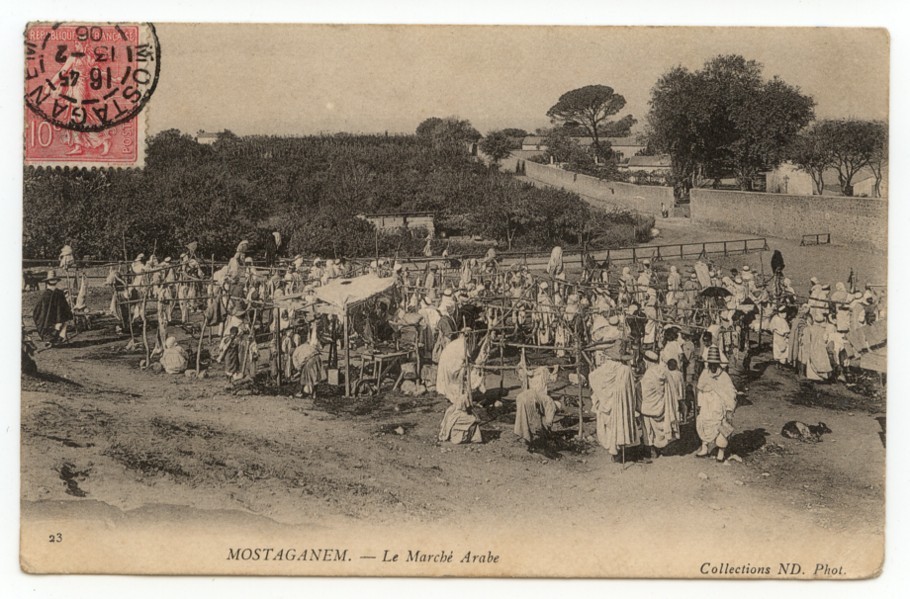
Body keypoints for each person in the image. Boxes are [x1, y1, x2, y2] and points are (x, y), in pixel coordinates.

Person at [589, 353, 641, 461]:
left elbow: (592, 376)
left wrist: (602, 395)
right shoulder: (625, 370)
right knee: (621, 427)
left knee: (610, 429)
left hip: (608, 404)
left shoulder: (605, 367)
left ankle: (614, 454)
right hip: (621, 403)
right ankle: (621, 451)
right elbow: (631, 389)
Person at [436, 331, 483, 444]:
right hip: (452, 369)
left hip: (451, 369)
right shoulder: (461, 345)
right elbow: (462, 360)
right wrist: (465, 367)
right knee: (472, 419)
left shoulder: (458, 344)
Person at [695, 346, 738, 461]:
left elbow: (730, 392)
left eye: (715, 364)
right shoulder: (705, 374)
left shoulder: (724, 376)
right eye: (711, 364)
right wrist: (699, 405)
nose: (713, 367)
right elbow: (699, 389)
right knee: (704, 423)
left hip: (718, 406)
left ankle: (721, 452)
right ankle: (704, 447)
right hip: (706, 405)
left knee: (720, 426)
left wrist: (729, 408)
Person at [640, 350, 680, 459]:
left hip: (649, 407)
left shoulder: (648, 374)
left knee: (648, 427)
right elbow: (672, 388)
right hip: (662, 405)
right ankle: (662, 446)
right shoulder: (664, 371)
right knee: (661, 426)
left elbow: (644, 392)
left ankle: (652, 448)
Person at [513, 367, 562, 447]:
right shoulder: (551, 404)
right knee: (527, 419)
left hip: (522, 396)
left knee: (522, 417)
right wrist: (549, 433)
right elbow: (549, 421)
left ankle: (523, 436)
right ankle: (527, 439)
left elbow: (540, 416)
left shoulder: (545, 400)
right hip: (529, 399)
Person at [32, 270, 73, 344]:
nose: (53, 281)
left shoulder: (58, 294)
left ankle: (57, 338)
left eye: (54, 280)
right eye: (51, 280)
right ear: (48, 281)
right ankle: (52, 338)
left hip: (56, 320)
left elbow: (64, 307)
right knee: (58, 324)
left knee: (61, 324)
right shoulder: (46, 295)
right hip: (48, 321)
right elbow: (38, 310)